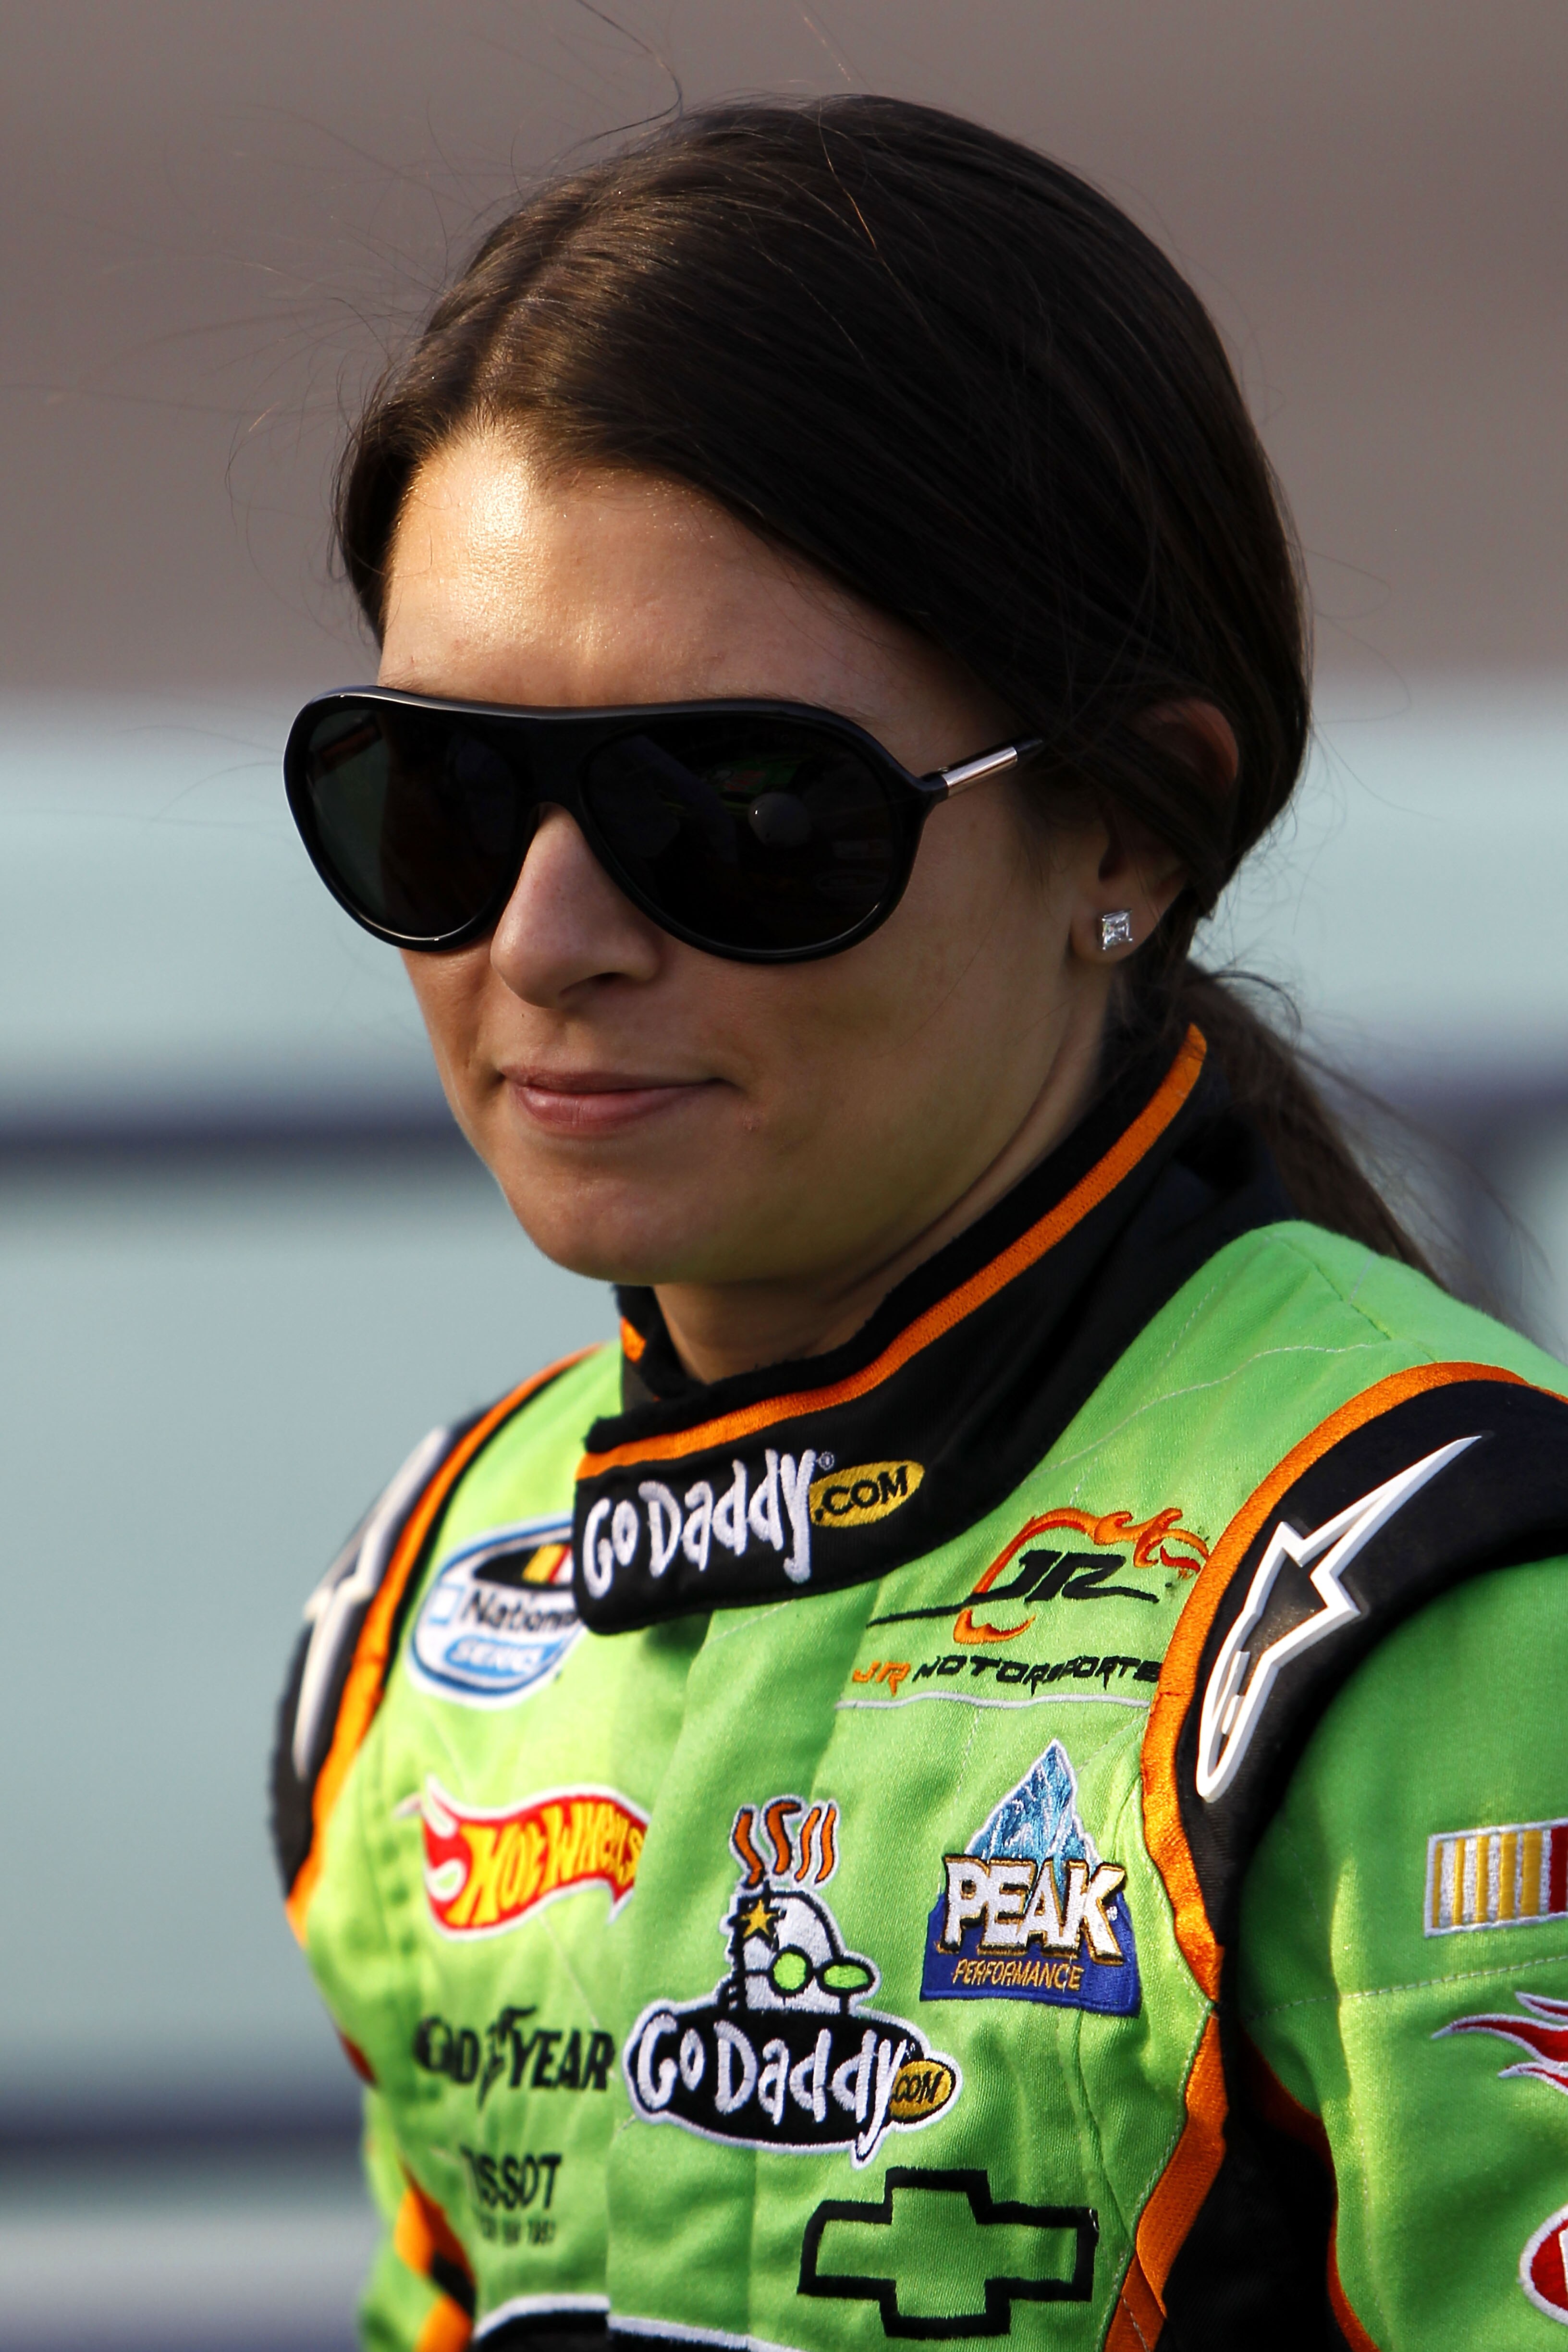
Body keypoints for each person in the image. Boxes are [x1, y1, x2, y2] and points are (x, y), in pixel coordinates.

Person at [270, 97, 1568, 2352]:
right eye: (438, 796)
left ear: (1130, 832)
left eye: (746, 806)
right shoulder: (427, 1607)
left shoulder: (1451, 1615)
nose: (549, 935)